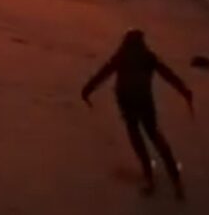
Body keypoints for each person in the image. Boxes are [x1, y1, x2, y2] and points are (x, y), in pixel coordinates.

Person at [81, 29, 194, 199]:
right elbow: (167, 74)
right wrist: (184, 90)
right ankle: (175, 180)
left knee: (137, 138)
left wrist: (88, 89)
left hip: (127, 102)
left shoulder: (122, 56)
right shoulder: (148, 57)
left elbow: (104, 73)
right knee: (155, 136)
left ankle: (149, 176)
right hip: (144, 102)